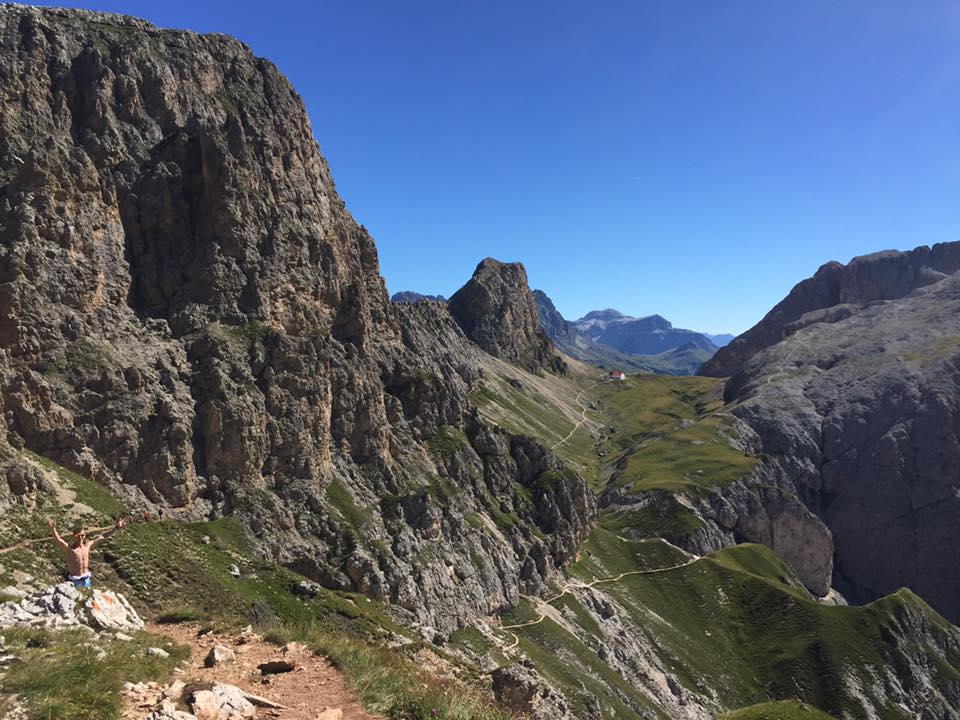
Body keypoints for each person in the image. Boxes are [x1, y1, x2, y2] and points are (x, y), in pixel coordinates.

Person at [47, 517, 127, 589]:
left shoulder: (87, 546)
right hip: (75, 582)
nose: (80, 537)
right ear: (74, 536)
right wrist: (53, 529)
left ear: (85, 536)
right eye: (78, 535)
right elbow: (59, 540)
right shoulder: (70, 549)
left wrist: (116, 528)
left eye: (82, 535)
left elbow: (103, 536)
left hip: (86, 580)